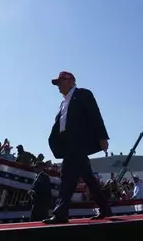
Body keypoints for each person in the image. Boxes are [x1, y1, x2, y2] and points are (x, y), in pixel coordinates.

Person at [44, 71, 113, 224]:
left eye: (60, 82)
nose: (58, 86)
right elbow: (61, 126)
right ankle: (105, 208)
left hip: (78, 143)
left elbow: (95, 114)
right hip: (68, 144)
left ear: (71, 81)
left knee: (66, 177)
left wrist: (102, 137)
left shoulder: (83, 95)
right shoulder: (63, 103)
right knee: (88, 177)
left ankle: (61, 212)